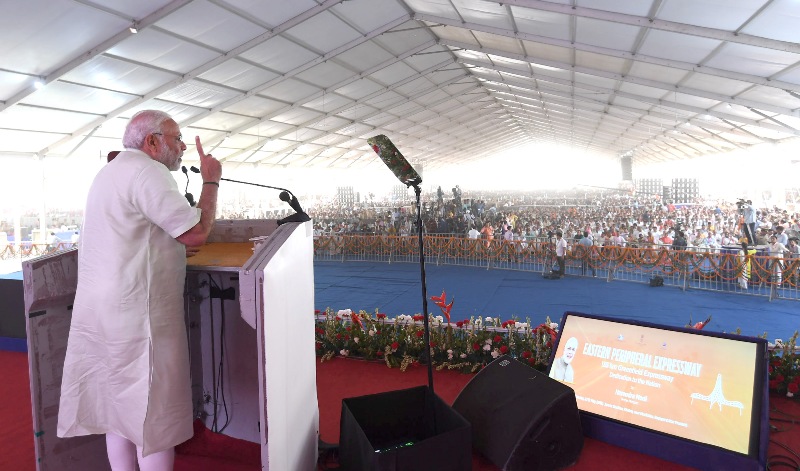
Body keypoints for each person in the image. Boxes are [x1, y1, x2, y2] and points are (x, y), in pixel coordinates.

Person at [57, 110, 222, 471]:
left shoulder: (110, 172)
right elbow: (195, 232)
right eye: (177, 139)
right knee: (154, 416)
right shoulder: (150, 172)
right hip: (138, 319)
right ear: (152, 141)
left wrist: (173, 246)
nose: (181, 148)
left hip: (103, 315)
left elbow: (135, 235)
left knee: (118, 412)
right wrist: (211, 182)